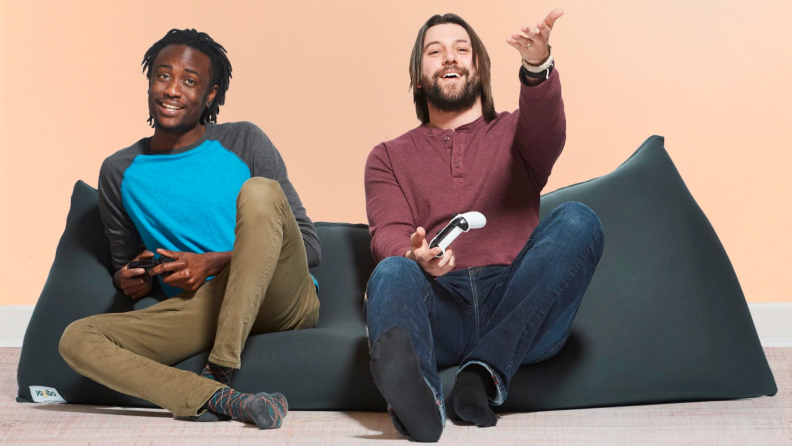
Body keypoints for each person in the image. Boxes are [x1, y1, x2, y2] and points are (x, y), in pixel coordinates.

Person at [58, 29, 321, 429]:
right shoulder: (119, 171)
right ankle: (217, 398)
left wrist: (212, 261)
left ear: (211, 94)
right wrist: (129, 277)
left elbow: (308, 246)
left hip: (280, 296)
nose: (173, 90)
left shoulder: (243, 141)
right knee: (76, 338)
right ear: (150, 83)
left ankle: (219, 369)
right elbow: (124, 261)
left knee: (260, 191)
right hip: (201, 307)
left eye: (189, 81)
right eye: (163, 76)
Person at [363, 10, 604, 442]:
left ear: (479, 67)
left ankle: (482, 373)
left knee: (578, 220)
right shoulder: (387, 156)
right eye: (434, 52)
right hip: (441, 305)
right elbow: (387, 231)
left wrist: (537, 67)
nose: (449, 58)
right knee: (390, 270)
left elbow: (549, 132)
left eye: (461, 49)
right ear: (419, 77)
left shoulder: (517, 132)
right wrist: (414, 255)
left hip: (518, 301)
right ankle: (424, 405)